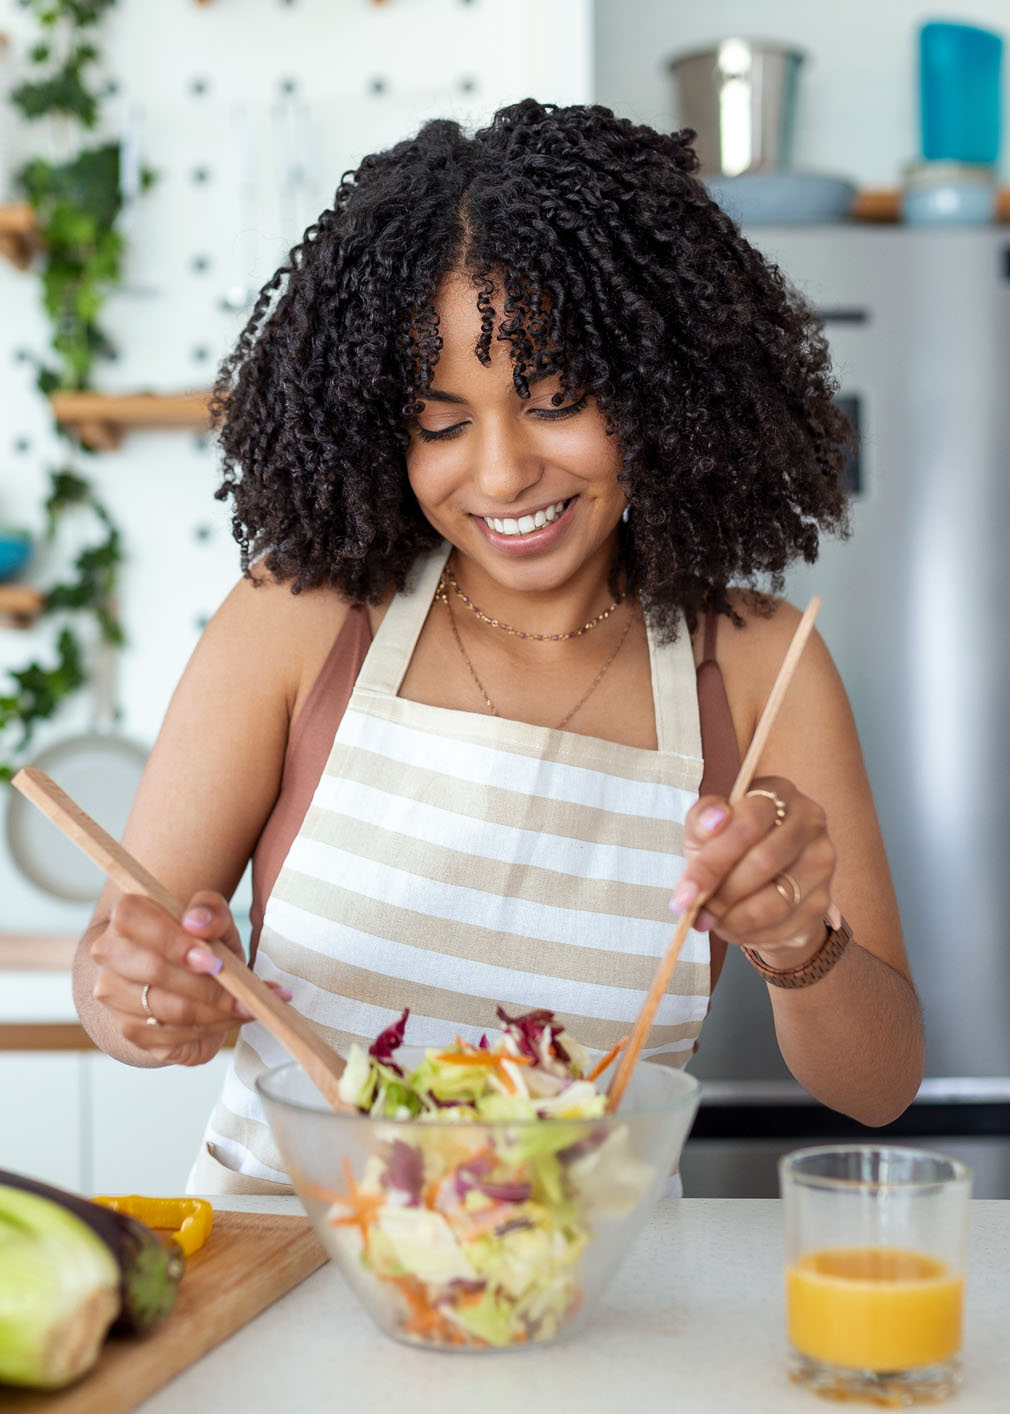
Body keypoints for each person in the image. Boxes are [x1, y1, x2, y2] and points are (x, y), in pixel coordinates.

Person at [72, 100, 924, 1193]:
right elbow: (115, 971)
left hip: (584, 1302)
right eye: (441, 422)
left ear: (664, 385)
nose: (501, 471)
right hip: (284, 1290)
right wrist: (145, 995)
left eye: (557, 398)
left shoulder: (758, 666)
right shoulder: (302, 617)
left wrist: (798, 940)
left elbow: (880, 1084)